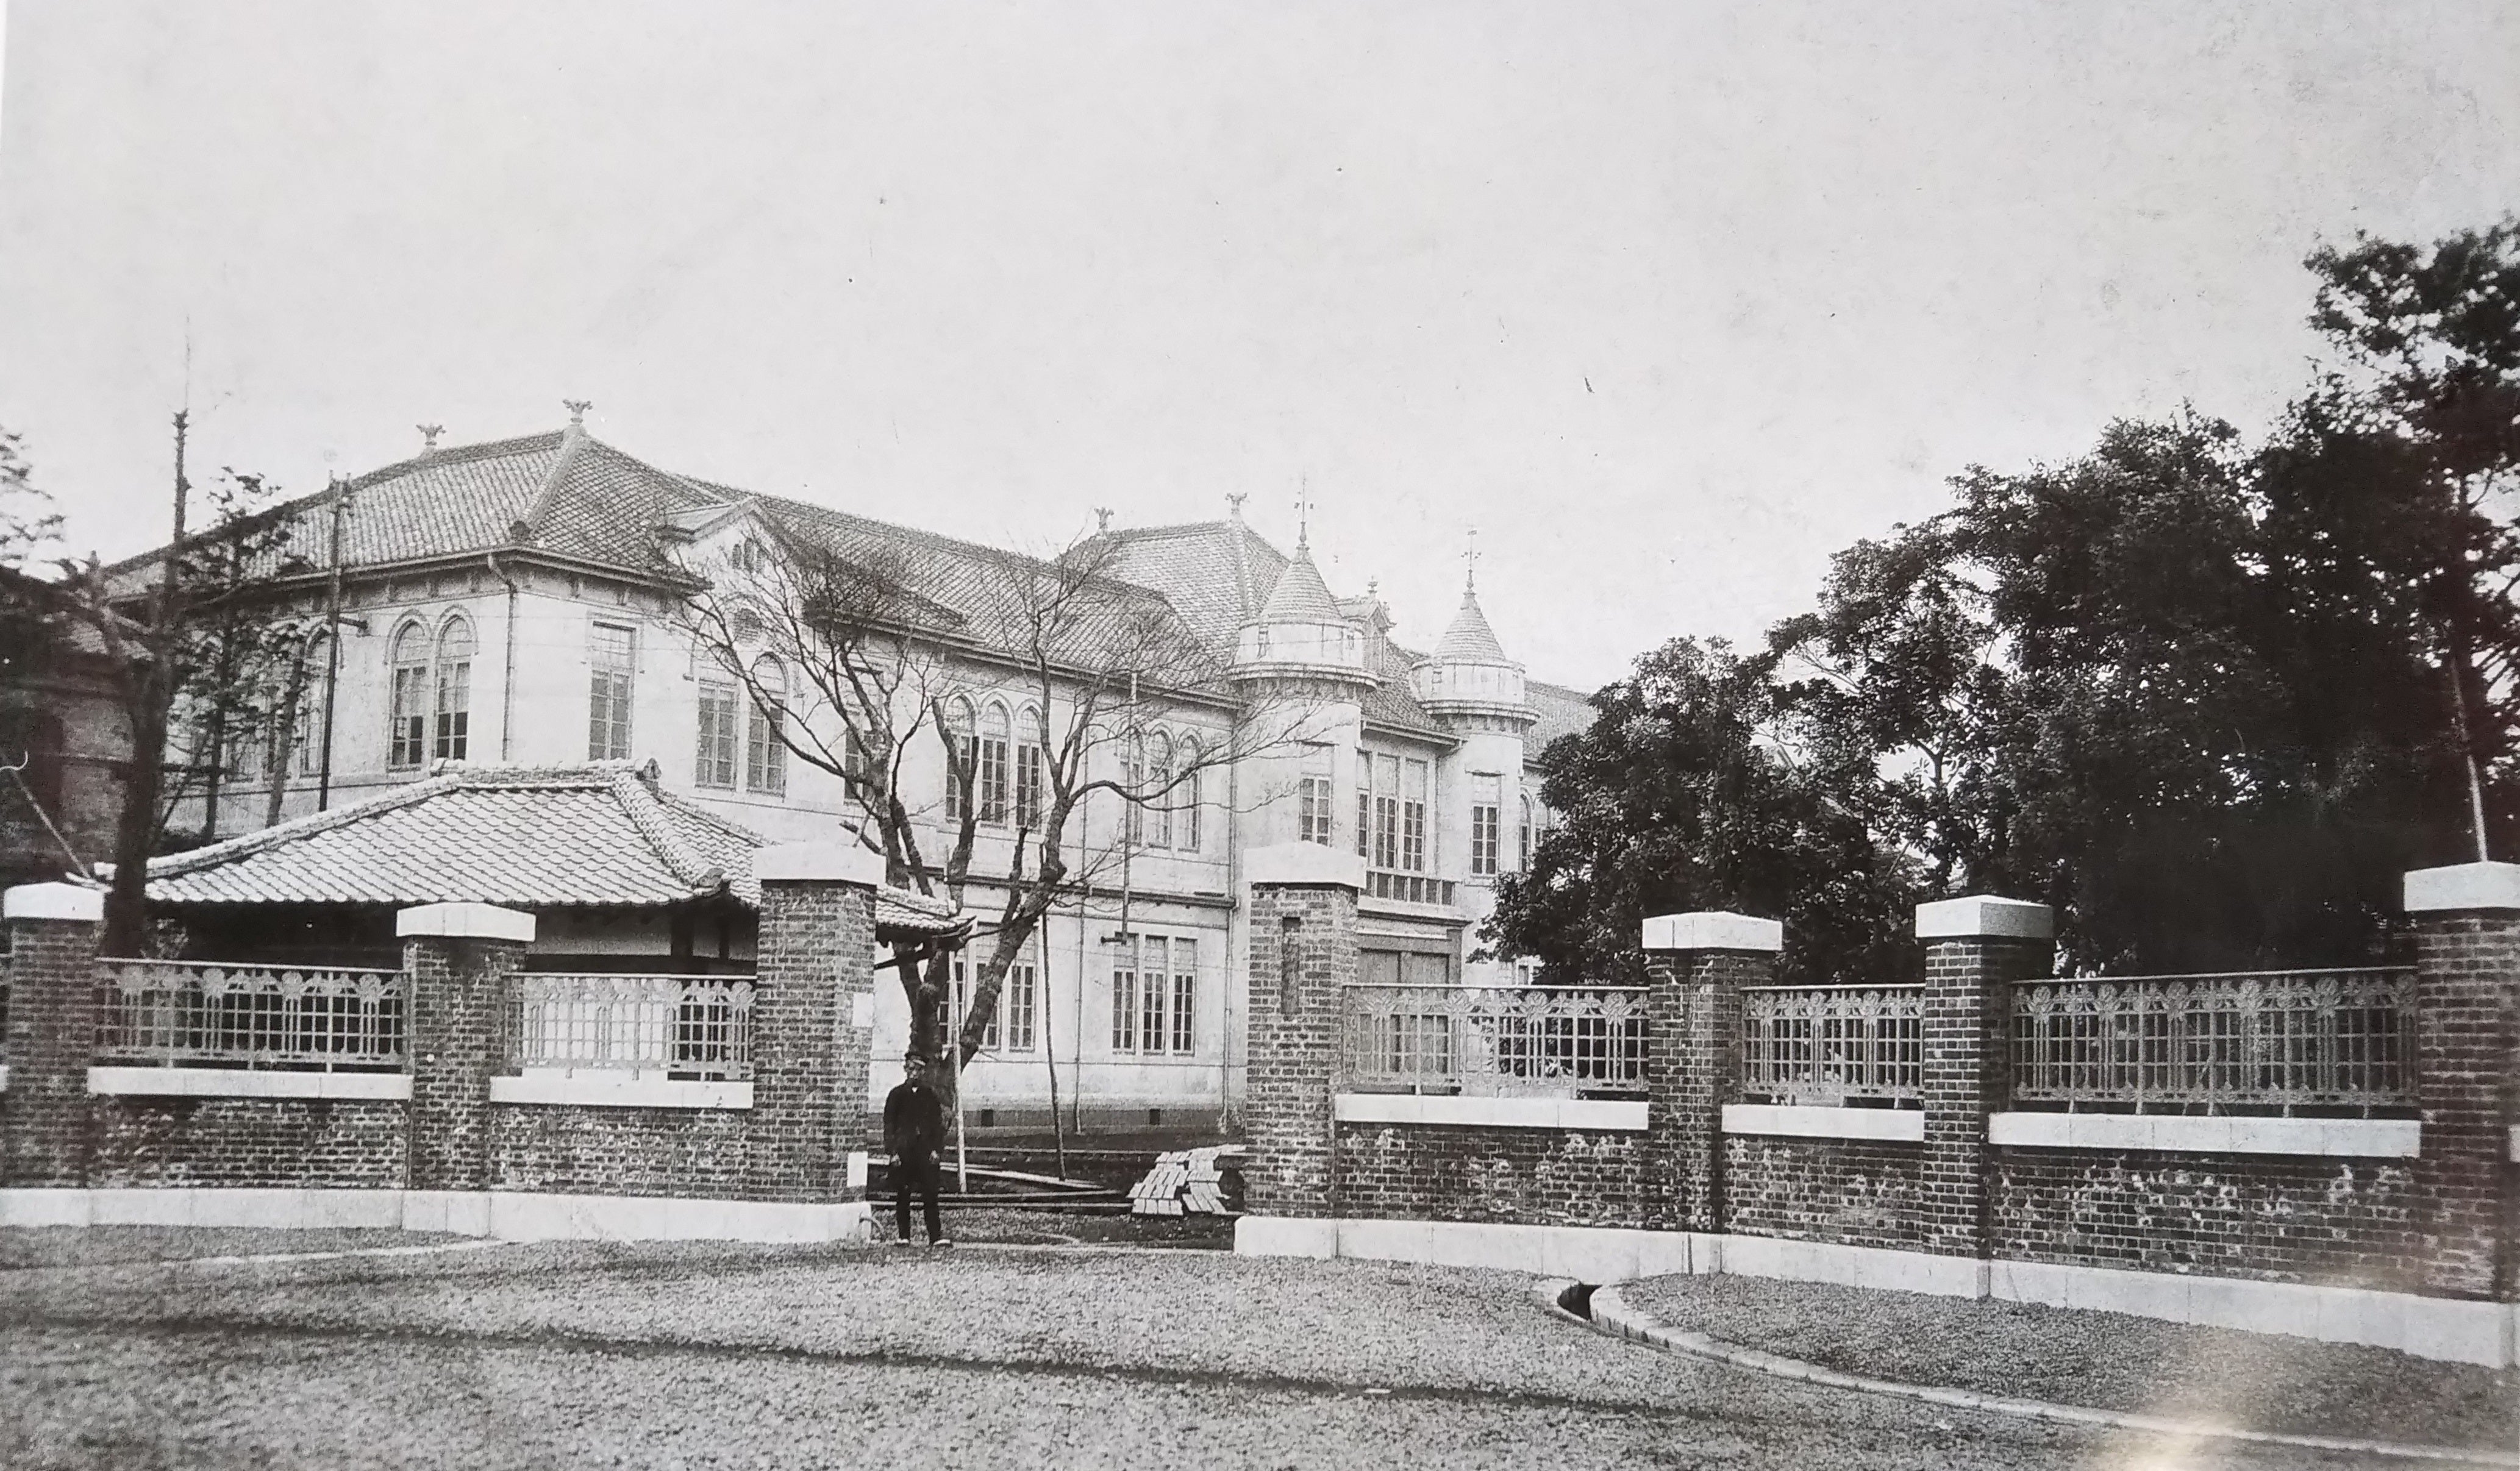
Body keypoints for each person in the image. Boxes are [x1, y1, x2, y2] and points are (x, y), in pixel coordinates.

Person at [882, 1057, 949, 1247]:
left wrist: (936, 1149)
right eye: (911, 1069)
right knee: (903, 1194)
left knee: (930, 1194)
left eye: (918, 1070)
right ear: (905, 1070)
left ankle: (935, 1236)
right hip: (904, 1152)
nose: (914, 1074)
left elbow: (937, 1125)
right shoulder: (896, 1095)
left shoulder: (929, 1095)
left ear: (923, 1072)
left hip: (925, 1152)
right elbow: (889, 1125)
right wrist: (893, 1152)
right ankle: (904, 1236)